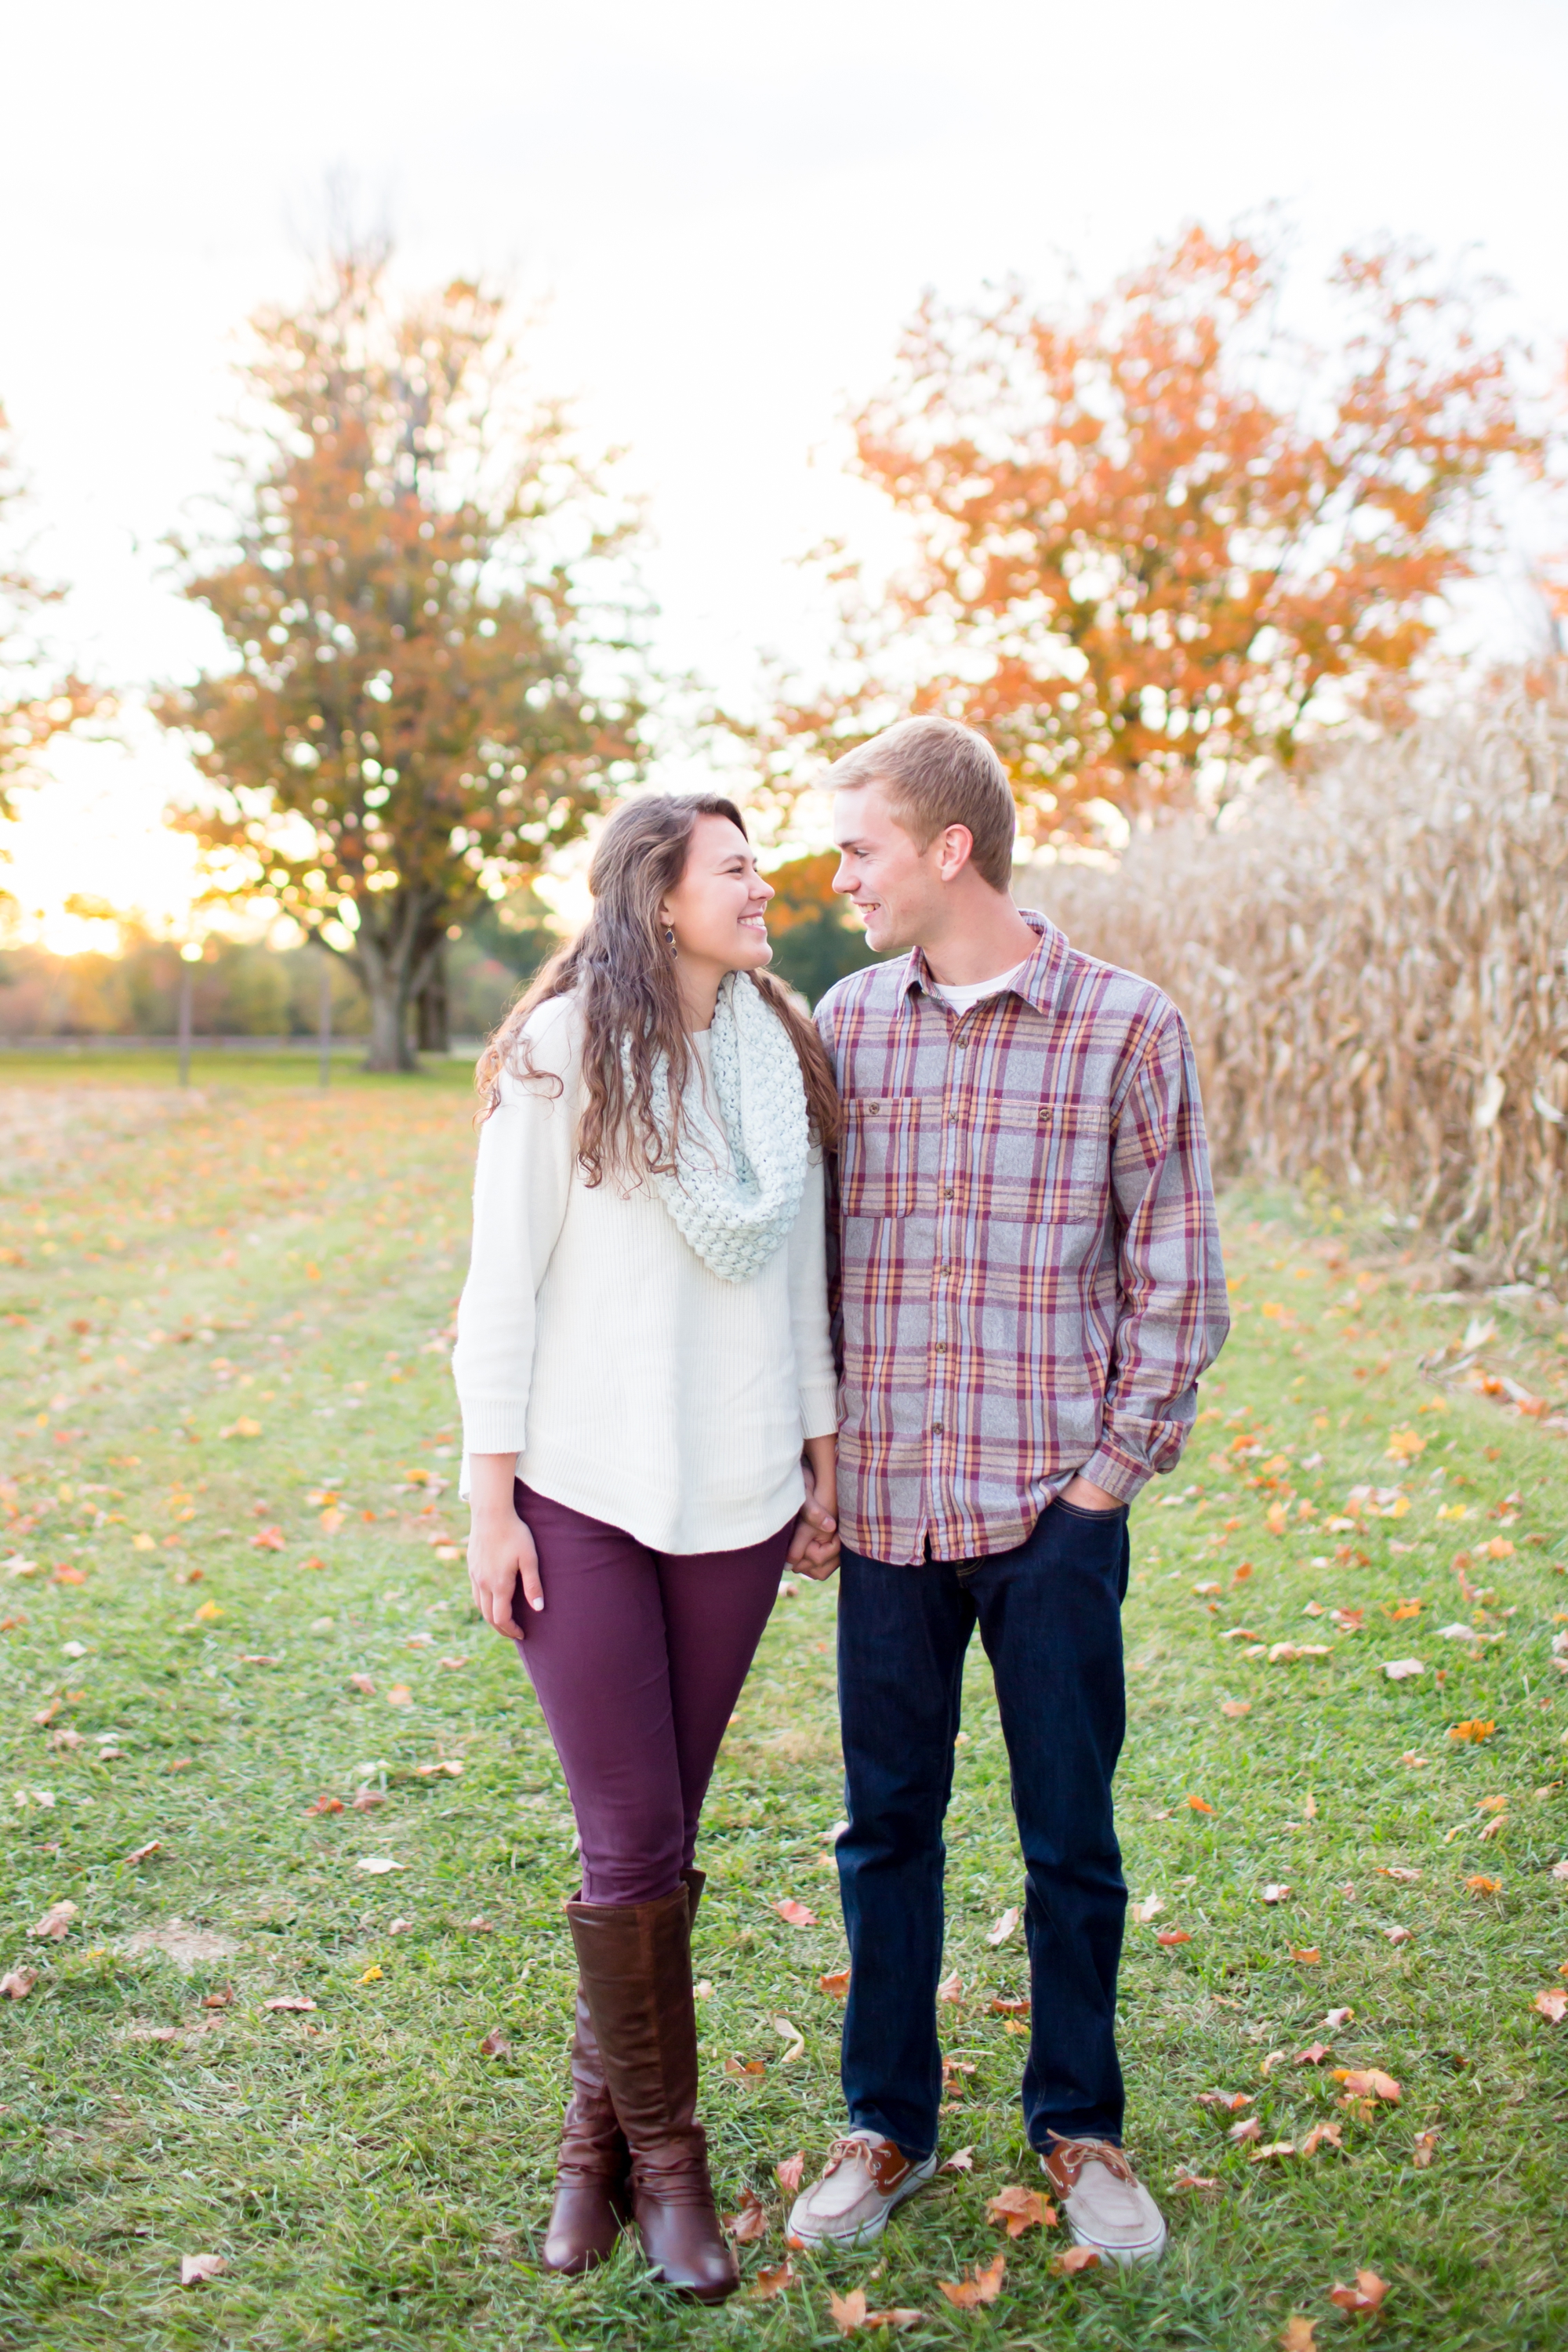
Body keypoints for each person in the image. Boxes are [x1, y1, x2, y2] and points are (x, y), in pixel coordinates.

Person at [786, 717, 1229, 2267]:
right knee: (883, 1834)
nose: (838, 878)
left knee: (1068, 1838)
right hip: (892, 1513)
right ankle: (883, 2128)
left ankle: (1082, 2128)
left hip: (1052, 1516)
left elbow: (1178, 1276)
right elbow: (800, 1265)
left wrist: (1106, 1485)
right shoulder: (841, 1024)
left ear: (948, 848)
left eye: (860, 849)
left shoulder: (1126, 1029)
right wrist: (815, 1462)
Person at [453, 792, 842, 2302]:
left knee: (660, 1843)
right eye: (737, 871)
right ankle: (663, 2174)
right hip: (583, 1493)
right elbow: (504, 1292)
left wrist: (821, 1460)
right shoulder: (558, 1059)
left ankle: (586, 2140)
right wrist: (491, 1501)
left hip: (739, 1495)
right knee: (630, 1841)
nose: (765, 890)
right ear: (657, 898)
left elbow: (803, 1282)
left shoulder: (780, 1055)